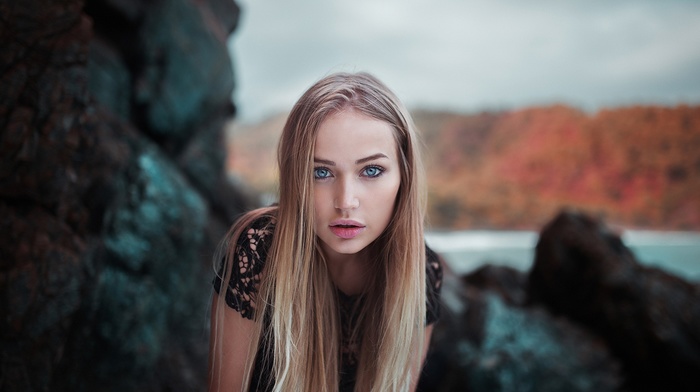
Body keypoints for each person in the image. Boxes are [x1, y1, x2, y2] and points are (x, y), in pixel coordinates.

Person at [209, 72, 443, 392]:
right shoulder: (258, 251)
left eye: (371, 170)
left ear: (405, 175)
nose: (346, 201)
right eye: (321, 172)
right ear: (296, 177)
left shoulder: (420, 272)